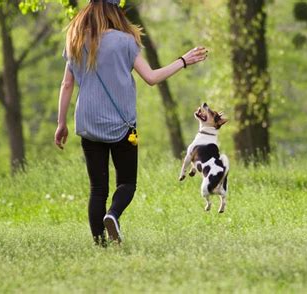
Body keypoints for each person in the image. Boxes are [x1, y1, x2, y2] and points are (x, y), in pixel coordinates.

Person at [54, 0, 207, 245]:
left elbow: (67, 84)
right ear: (115, 10)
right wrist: (183, 60)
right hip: (122, 125)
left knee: (97, 189)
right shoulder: (125, 41)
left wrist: (61, 123)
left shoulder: (75, 39)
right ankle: (112, 215)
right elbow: (151, 77)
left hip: (88, 123)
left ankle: (100, 245)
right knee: (126, 183)